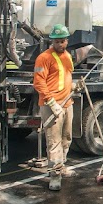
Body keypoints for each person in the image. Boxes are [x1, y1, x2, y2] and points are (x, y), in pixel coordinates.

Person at [34, 24, 75, 191]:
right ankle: (55, 176)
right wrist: (51, 102)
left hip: (67, 103)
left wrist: (73, 86)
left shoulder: (67, 56)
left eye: (63, 41)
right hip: (52, 106)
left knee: (67, 138)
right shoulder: (43, 58)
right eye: (57, 42)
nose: (60, 44)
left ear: (67, 41)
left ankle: (61, 166)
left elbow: (65, 75)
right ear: (52, 41)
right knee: (54, 142)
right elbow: (38, 82)